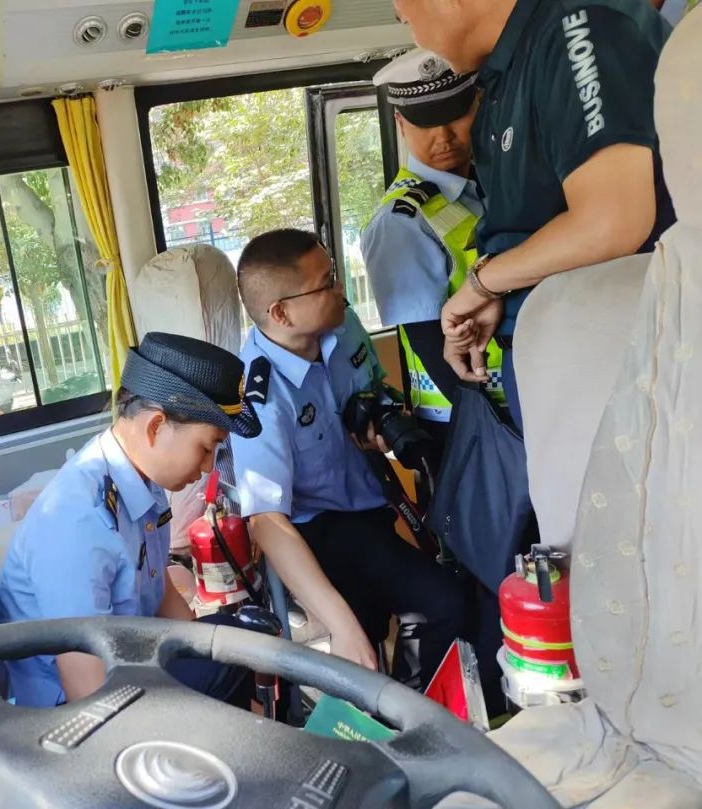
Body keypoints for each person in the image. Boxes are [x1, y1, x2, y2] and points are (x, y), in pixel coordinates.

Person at [392, 0, 676, 430]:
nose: (415, 36)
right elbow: (532, 224)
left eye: (405, 19)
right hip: (558, 350)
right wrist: (499, 295)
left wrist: (481, 284)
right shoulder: (503, 80)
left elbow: (610, 221)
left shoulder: (580, 29)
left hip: (624, 353)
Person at [230, 229, 465, 690]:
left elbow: (372, 389)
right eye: (325, 284)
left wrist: (377, 421)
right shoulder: (259, 395)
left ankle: (409, 711)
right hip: (318, 527)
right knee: (425, 609)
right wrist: (341, 625)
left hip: (372, 497)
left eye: (334, 275)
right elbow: (265, 521)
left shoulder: (340, 323)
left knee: (451, 595)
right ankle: (401, 720)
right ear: (280, 312)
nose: (341, 290)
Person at [0, 332, 263, 708]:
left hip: (131, 657)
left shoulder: (139, 478)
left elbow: (162, 591)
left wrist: (216, 651)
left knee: (238, 643)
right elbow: (88, 693)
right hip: (70, 708)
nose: (206, 468)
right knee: (223, 668)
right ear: (155, 427)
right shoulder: (78, 522)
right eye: (205, 448)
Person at [361, 48, 505, 453]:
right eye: (425, 123)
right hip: (466, 421)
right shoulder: (401, 221)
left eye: (454, 116)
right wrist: (493, 430)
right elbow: (428, 341)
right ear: (400, 124)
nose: (443, 137)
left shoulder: (488, 188)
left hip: (519, 399)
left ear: (477, 105)